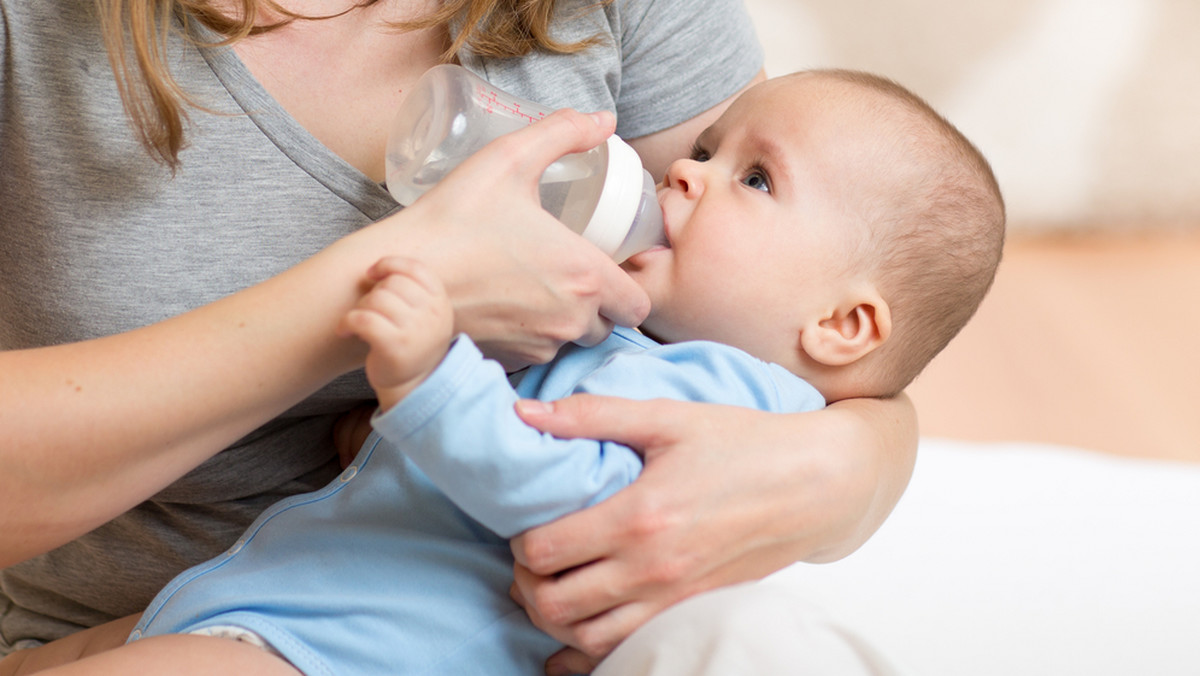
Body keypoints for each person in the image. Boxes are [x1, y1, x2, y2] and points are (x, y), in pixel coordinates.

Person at [0, 0, 917, 672]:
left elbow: (823, 311)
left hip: (373, 635)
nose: (681, 179)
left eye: (742, 176)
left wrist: (846, 468)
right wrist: (375, 310)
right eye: (708, 157)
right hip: (234, 593)